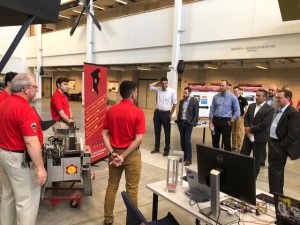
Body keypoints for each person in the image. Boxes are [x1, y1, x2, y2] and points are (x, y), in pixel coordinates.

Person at [0, 73, 47, 225]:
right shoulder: (24, 109)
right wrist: (40, 168)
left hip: (4, 155)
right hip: (19, 161)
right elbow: (31, 142)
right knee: (26, 201)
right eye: (35, 87)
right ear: (26, 89)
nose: (37, 91)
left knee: (7, 197)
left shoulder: (3, 104)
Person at [102, 80, 145, 225]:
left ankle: (108, 220)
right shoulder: (138, 112)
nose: (137, 94)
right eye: (137, 92)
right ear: (133, 94)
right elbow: (138, 139)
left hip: (114, 154)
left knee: (112, 186)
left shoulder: (111, 110)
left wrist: (112, 152)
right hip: (131, 155)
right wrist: (123, 156)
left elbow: (104, 133)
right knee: (132, 190)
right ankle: (133, 222)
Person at [268, 89, 300, 194]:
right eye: (276, 97)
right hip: (273, 143)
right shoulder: (279, 109)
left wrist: (279, 147)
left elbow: (292, 136)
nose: (276, 99)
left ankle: (275, 197)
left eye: (279, 97)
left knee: (275, 173)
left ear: (288, 99)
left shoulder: (292, 112)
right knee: (275, 173)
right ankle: (277, 195)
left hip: (279, 146)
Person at [240, 89, 274, 178]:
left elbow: (265, 124)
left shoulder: (270, 109)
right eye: (256, 95)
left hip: (260, 138)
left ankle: (252, 178)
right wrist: (247, 127)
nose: (256, 97)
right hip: (248, 136)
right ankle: (240, 173)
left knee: (257, 160)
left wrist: (251, 129)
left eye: (259, 96)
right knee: (243, 155)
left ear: (265, 97)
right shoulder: (251, 106)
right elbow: (246, 118)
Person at [209, 80, 240, 151]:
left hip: (226, 122)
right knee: (215, 142)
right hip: (215, 121)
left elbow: (237, 111)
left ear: (227, 86)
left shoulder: (233, 97)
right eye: (219, 85)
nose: (220, 87)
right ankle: (215, 157)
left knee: (227, 143)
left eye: (222, 85)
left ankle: (227, 160)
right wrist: (211, 122)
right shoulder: (215, 97)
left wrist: (231, 121)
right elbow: (212, 109)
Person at [149, 77, 177, 156]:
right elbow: (150, 86)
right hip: (157, 113)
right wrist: (158, 81)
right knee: (157, 132)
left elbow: (174, 103)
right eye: (163, 83)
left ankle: (166, 149)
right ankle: (156, 148)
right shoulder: (158, 89)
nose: (164, 85)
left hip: (166, 114)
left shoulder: (172, 91)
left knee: (167, 132)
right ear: (161, 83)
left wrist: (170, 114)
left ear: (167, 83)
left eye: (165, 83)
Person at [176, 87, 199, 166]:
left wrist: (193, 123)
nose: (184, 94)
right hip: (181, 123)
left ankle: (189, 159)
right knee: (182, 140)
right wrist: (178, 120)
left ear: (189, 93)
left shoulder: (194, 101)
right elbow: (180, 111)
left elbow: (196, 114)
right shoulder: (181, 101)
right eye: (183, 93)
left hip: (189, 124)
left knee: (187, 140)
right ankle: (184, 157)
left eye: (185, 93)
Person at [231, 86, 248, 152]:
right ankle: (234, 146)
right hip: (233, 117)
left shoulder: (243, 99)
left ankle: (240, 147)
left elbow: (246, 108)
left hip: (240, 118)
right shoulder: (232, 99)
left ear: (239, 91)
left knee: (239, 133)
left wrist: (244, 116)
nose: (235, 92)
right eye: (234, 91)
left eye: (236, 91)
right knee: (233, 132)